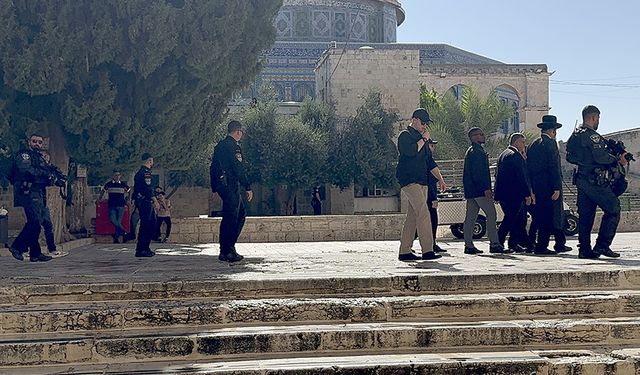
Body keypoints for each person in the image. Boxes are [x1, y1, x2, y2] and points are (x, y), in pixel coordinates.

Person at [566, 105, 627, 258]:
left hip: (582, 180)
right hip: (595, 182)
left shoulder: (575, 135)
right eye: (598, 118)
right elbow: (601, 157)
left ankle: (584, 249)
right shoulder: (593, 136)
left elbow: (569, 157)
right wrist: (617, 160)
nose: (598, 121)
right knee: (613, 208)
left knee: (586, 216)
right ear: (593, 118)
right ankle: (602, 246)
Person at [395, 108, 446, 261]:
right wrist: (423, 140)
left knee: (413, 216)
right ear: (414, 120)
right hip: (409, 181)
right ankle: (428, 250)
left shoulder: (422, 139)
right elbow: (410, 152)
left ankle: (404, 251)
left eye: (426, 124)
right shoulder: (405, 136)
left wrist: (441, 179)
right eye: (423, 123)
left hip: (422, 181)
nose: (424, 126)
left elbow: (430, 162)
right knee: (424, 213)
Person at [527, 115, 572, 256]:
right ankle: (542, 246)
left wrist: (531, 188)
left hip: (537, 187)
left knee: (542, 216)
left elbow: (529, 168)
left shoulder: (533, 144)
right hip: (549, 187)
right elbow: (553, 167)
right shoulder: (551, 144)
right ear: (552, 130)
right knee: (548, 216)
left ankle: (558, 243)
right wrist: (556, 187)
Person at [210, 120, 253, 262]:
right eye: (241, 133)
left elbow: (213, 167)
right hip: (230, 186)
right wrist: (247, 186)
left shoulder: (219, 146)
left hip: (222, 186)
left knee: (234, 216)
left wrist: (214, 188)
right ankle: (227, 250)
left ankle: (227, 249)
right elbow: (238, 168)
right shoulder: (234, 147)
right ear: (237, 132)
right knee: (234, 217)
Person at [8, 134, 53, 262]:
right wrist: (44, 173)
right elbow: (26, 170)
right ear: (29, 142)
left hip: (37, 193)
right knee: (34, 222)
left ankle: (35, 253)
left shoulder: (39, 158)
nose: (37, 144)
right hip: (27, 192)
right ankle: (17, 247)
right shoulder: (25, 155)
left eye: (40, 142)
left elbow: (43, 175)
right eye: (34, 141)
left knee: (35, 223)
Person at [462, 127, 506, 254]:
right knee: (491, 215)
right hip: (479, 191)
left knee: (470, 218)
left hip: (472, 191)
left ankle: (468, 245)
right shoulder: (476, 152)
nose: (483, 136)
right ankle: (494, 243)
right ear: (474, 137)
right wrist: (486, 188)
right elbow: (478, 173)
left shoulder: (473, 151)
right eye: (480, 134)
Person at [494, 133, 531, 253]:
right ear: (516, 142)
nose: (524, 145)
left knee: (517, 219)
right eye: (523, 142)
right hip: (514, 194)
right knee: (510, 219)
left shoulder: (503, 155)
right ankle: (499, 242)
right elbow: (521, 177)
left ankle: (514, 243)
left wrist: (497, 194)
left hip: (504, 194)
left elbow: (497, 176)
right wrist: (527, 194)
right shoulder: (515, 156)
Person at [132, 153, 157, 257]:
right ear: (149, 160)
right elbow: (148, 188)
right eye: (152, 161)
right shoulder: (145, 173)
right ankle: (143, 249)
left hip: (142, 201)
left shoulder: (139, 172)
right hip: (145, 201)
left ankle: (143, 248)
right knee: (146, 225)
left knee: (149, 223)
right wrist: (154, 199)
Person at [98, 170, 130, 243]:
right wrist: (99, 199)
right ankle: (124, 233)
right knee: (113, 220)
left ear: (120, 176)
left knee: (118, 222)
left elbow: (129, 190)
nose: (117, 176)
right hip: (111, 205)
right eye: (115, 175)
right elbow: (103, 191)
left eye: (118, 175)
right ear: (113, 176)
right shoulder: (109, 184)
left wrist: (128, 199)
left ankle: (117, 237)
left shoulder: (123, 184)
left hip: (121, 205)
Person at [426, 139, 446, 253]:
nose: (433, 148)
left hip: (427, 194)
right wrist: (433, 198)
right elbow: (430, 182)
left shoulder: (425, 159)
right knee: (432, 220)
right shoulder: (428, 160)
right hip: (429, 196)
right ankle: (432, 244)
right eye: (431, 145)